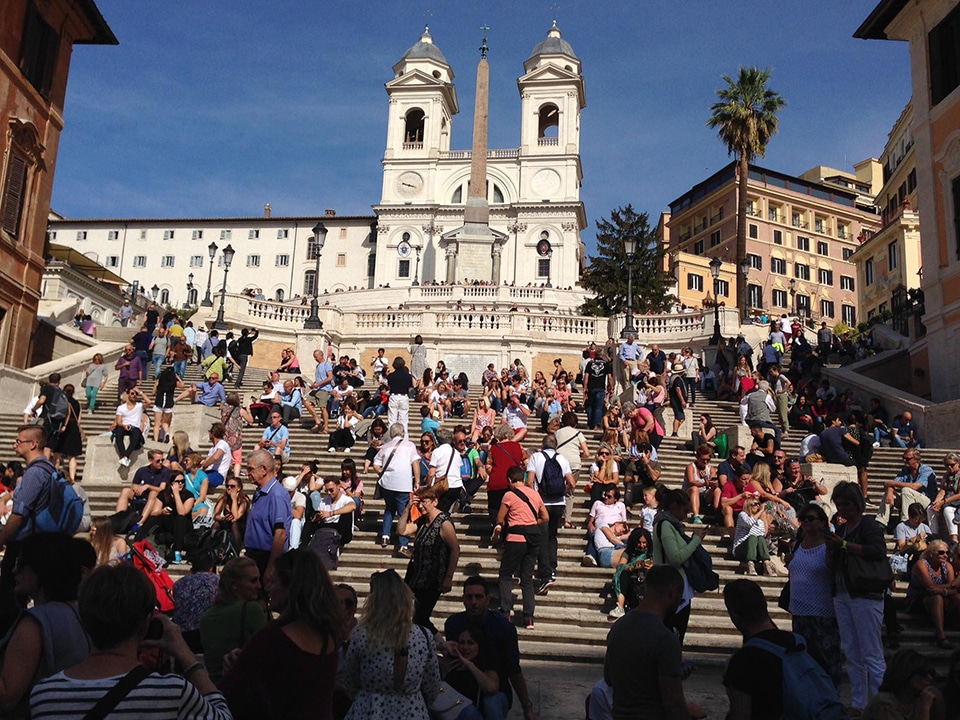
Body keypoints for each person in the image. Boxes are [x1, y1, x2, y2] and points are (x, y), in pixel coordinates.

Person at [29, 563, 231, 720]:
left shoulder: (44, 695)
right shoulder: (171, 692)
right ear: (145, 625)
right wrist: (188, 659)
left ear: (83, 619)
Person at [221, 549, 342, 720]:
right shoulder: (328, 637)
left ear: (291, 587)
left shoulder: (273, 639)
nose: (267, 587)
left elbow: (231, 694)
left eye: (274, 581)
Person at [723, 578, 843, 720]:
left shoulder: (743, 662)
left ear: (734, 616)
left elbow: (740, 715)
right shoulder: (803, 645)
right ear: (764, 605)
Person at [0, 533, 89, 717]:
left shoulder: (35, 622)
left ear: (43, 569)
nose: (15, 571)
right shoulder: (80, 612)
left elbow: (7, 696)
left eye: (23, 564)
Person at [604, 564, 702, 720]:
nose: (678, 604)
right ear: (673, 592)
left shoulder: (618, 628)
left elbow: (609, 678)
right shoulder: (665, 640)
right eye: (680, 599)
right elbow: (674, 705)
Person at [342, 569, 440, 720]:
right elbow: (432, 684)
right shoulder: (423, 636)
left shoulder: (361, 635)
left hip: (369, 709)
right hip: (412, 710)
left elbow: (350, 679)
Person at [0, 426, 70, 635]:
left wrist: (2, 539)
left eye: (19, 441)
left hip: (25, 543)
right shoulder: (49, 470)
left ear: (33, 444)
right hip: (39, 540)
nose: (15, 445)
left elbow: (20, 514)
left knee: (10, 597)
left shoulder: (35, 473)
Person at [826, 481, 888, 713]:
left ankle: (882, 704)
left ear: (857, 504)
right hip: (843, 593)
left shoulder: (868, 525)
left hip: (865, 594)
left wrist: (844, 545)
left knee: (871, 652)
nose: (843, 509)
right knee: (852, 651)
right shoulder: (841, 529)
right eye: (839, 505)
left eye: (847, 504)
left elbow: (877, 551)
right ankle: (860, 701)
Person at [443, 577, 539, 720]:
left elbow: (514, 671)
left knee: (491, 702)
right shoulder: (454, 624)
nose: (474, 602)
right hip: (462, 688)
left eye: (478, 597)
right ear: (463, 599)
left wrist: (527, 707)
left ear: (488, 599)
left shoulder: (503, 628)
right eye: (469, 597)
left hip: (495, 689)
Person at [785, 503, 843, 688]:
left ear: (823, 522)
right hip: (799, 612)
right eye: (803, 519)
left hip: (823, 612)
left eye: (811, 518)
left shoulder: (829, 546)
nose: (807, 523)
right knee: (804, 658)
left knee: (828, 659)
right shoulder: (798, 545)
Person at [492, 466, 548, 629]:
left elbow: (500, 518)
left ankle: (505, 612)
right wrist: (530, 524)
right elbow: (545, 517)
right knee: (527, 579)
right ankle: (529, 617)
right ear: (523, 479)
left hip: (515, 539)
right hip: (532, 540)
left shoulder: (509, 495)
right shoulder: (535, 494)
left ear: (509, 480)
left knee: (505, 575)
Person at [398, 486, 460, 633]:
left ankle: (440, 644)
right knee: (413, 615)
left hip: (433, 579)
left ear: (435, 501)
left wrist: (449, 577)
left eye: (424, 502)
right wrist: (408, 508)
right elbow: (402, 530)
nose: (420, 506)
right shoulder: (422, 522)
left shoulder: (443, 523)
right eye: (418, 502)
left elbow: (455, 549)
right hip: (416, 576)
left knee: (421, 617)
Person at [198, 557, 266, 682]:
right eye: (253, 581)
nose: (259, 586)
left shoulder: (206, 617)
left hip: (215, 688)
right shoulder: (252, 610)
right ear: (234, 584)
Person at [652, 489, 707, 643]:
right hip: (672, 588)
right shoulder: (665, 526)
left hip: (678, 588)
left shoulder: (672, 526)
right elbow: (676, 558)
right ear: (674, 506)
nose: (685, 515)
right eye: (684, 510)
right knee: (672, 637)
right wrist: (696, 540)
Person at [526, 435, 575, 596]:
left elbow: (529, 481)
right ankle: (552, 568)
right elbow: (572, 483)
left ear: (542, 444)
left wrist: (535, 497)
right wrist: (563, 491)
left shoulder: (536, 457)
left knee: (542, 537)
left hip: (543, 503)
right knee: (552, 536)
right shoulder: (562, 459)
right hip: (559, 503)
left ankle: (545, 574)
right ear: (556, 445)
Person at [242, 450, 291, 582]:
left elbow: (280, 533)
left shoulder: (276, 494)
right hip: (254, 556)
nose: (247, 474)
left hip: (266, 558)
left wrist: (271, 567)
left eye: (250, 469)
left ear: (263, 469)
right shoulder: (260, 492)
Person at [905, 540, 960, 649]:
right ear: (931, 553)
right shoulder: (921, 565)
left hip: (940, 597)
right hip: (918, 599)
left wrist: (947, 588)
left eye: (947, 553)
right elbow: (930, 588)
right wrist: (951, 586)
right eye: (941, 553)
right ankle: (941, 636)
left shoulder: (947, 566)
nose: (945, 556)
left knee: (957, 597)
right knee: (937, 598)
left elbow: (953, 590)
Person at [375, 423, 420, 552]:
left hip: (387, 483)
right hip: (403, 484)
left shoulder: (385, 446)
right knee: (403, 512)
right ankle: (403, 542)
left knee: (389, 509)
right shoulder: (409, 445)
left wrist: (383, 473)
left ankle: (385, 535)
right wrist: (417, 481)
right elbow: (415, 463)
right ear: (403, 433)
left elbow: (376, 464)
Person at [878, 449, 939, 528]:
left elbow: (915, 486)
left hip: (926, 501)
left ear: (916, 460)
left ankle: (905, 522)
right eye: (903, 458)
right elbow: (892, 483)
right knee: (889, 494)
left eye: (907, 459)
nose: (904, 460)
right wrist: (890, 492)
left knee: (906, 490)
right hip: (908, 498)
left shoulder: (926, 470)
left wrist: (893, 483)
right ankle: (881, 524)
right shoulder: (905, 470)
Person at [172, 554, 219, 653]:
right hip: (209, 635)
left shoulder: (179, 583)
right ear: (211, 568)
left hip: (184, 635)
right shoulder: (217, 581)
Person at [115, 449, 170, 530]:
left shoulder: (165, 471)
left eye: (162, 460)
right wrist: (137, 489)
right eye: (158, 461)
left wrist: (147, 486)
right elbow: (134, 485)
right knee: (125, 491)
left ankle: (140, 522)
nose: (161, 462)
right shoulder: (142, 470)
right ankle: (118, 518)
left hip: (155, 498)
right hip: (141, 495)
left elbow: (162, 489)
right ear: (150, 460)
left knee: (153, 493)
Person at [110, 388, 148, 467]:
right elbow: (119, 421)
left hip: (135, 427)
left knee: (136, 435)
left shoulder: (139, 406)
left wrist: (140, 392)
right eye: (132, 393)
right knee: (119, 433)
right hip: (124, 426)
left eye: (135, 394)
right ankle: (123, 454)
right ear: (128, 395)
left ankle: (126, 456)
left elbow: (149, 402)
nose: (134, 395)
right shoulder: (121, 408)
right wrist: (124, 425)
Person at [582, 351, 614, 431]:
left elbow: (586, 376)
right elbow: (610, 377)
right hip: (600, 388)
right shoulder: (606, 363)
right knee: (598, 407)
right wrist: (612, 387)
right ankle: (597, 425)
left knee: (590, 406)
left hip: (591, 388)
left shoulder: (590, 363)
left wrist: (585, 387)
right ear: (602, 355)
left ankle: (590, 424)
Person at [387, 356, 414, 436]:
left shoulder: (391, 376)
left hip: (394, 396)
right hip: (404, 396)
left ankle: (391, 439)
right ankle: (405, 439)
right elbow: (410, 387)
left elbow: (389, 385)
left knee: (392, 420)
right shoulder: (408, 376)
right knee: (404, 420)